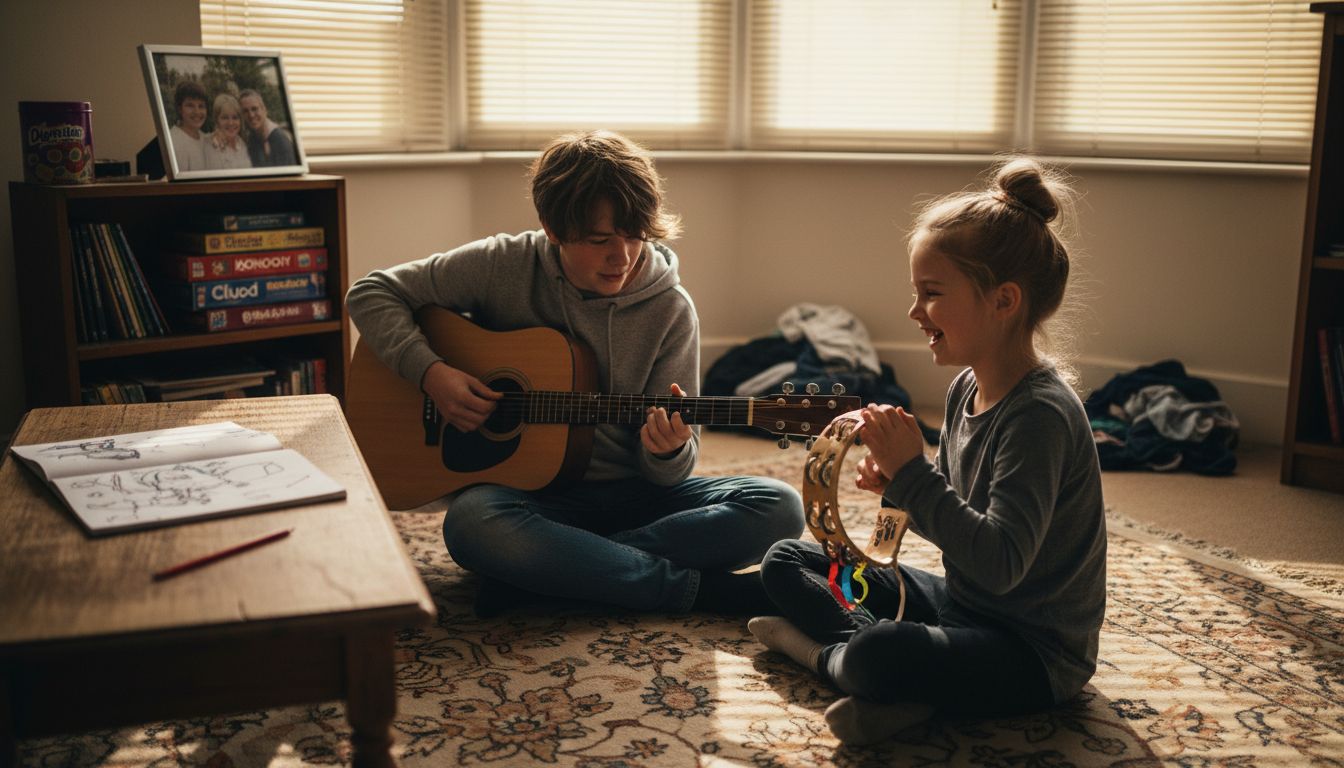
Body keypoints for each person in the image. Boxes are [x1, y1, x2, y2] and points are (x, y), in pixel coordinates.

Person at [346, 130, 805, 618]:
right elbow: (372, 293)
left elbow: (671, 473)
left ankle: (556, 572)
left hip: (636, 496)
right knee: (472, 523)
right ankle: (685, 589)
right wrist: (431, 373)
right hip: (531, 500)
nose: (622, 257)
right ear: (552, 227)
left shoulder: (670, 310)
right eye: (600, 240)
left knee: (778, 506)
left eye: (635, 236)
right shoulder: (504, 264)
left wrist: (666, 448)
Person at [748, 157, 1106, 746]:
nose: (915, 313)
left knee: (881, 651)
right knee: (788, 559)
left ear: (1004, 301)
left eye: (932, 295)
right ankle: (894, 680)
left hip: (1030, 650)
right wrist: (897, 489)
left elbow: (1000, 561)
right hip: (962, 606)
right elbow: (939, 526)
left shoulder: (1040, 414)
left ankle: (831, 658)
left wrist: (914, 475)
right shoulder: (967, 387)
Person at [239, 89, 297, 167]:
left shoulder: (279, 139)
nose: (251, 115)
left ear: (264, 110)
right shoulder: (252, 137)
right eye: (245, 111)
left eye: (254, 109)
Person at [203, 93, 252, 170]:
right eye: (225, 118)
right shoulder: (207, 144)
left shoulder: (242, 144)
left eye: (235, 117)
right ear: (217, 120)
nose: (231, 123)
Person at [168, 80, 208, 172]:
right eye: (190, 105)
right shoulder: (173, 141)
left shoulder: (206, 139)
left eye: (201, 106)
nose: (197, 112)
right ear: (179, 109)